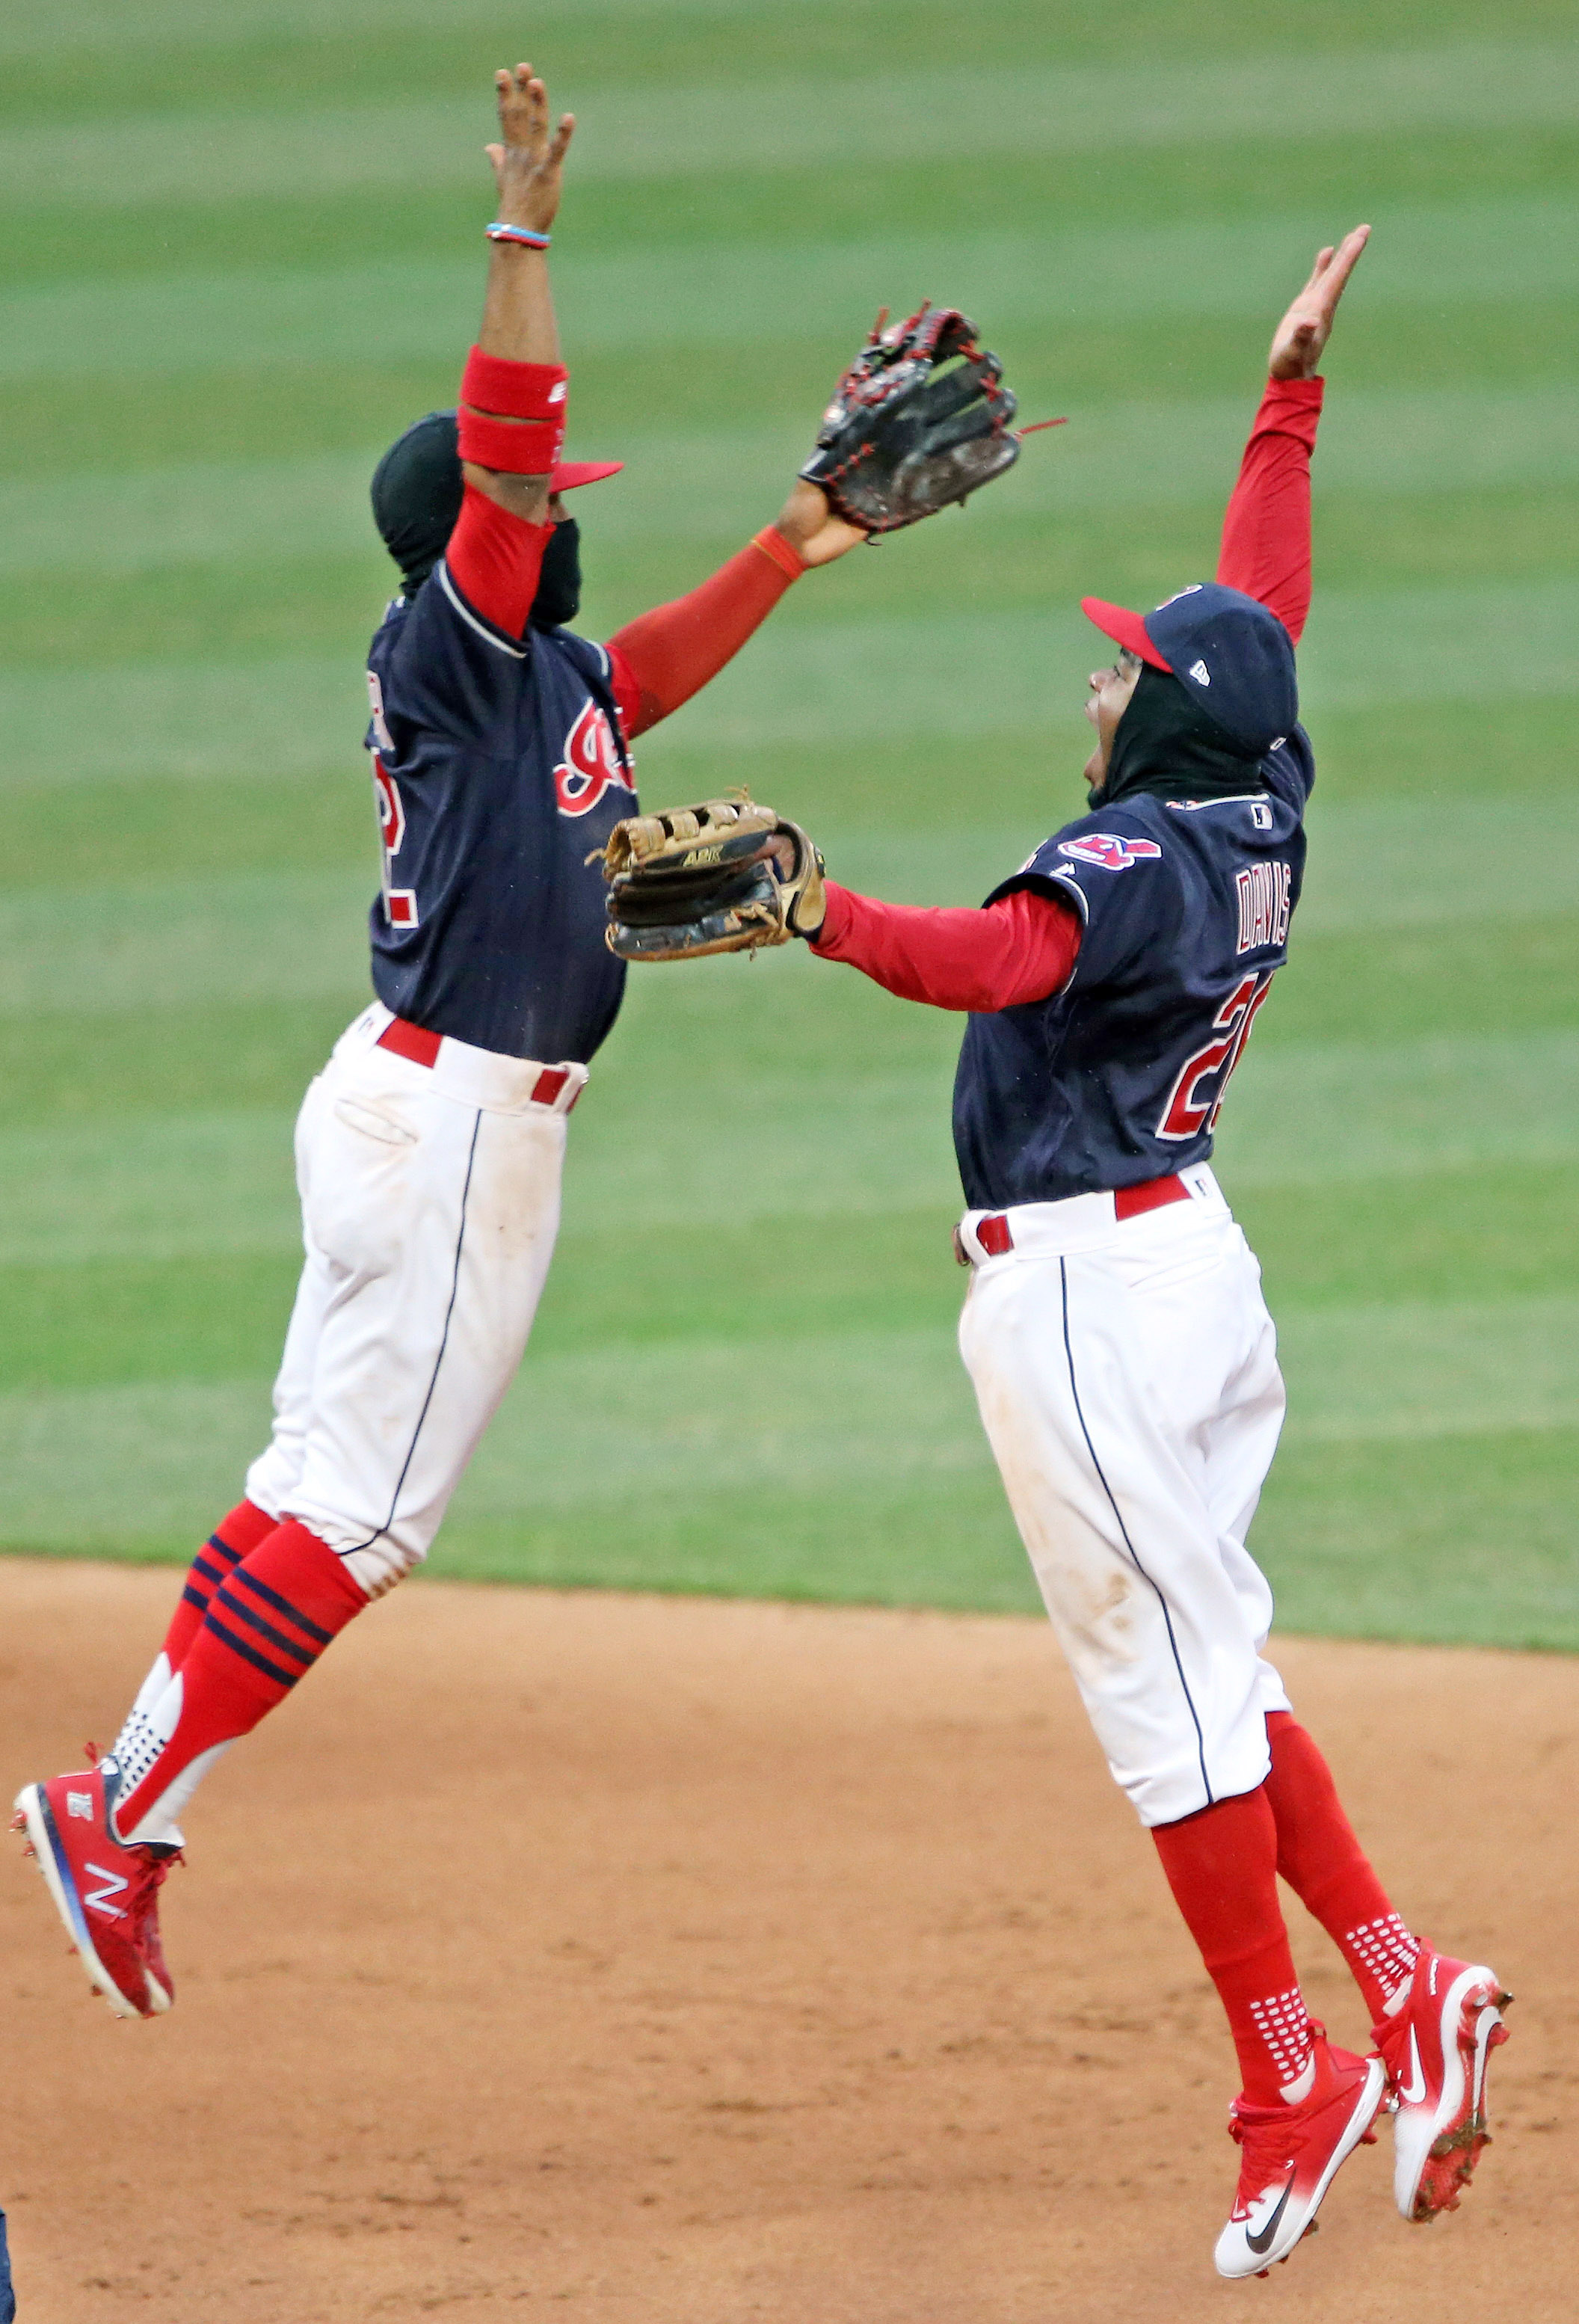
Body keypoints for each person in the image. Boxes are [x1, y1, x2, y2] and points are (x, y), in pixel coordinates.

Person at [13, 61, 869, 2026]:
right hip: (459, 1120)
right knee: (368, 1511)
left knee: (315, 1472)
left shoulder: (541, 677)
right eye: (542, 512)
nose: (559, 525)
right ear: (477, 537)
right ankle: (118, 1807)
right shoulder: (455, 639)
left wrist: (798, 537)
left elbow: (636, 668)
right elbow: (509, 453)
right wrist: (521, 241)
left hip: (421, 1103)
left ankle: (126, 1797)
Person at [778, 230, 1511, 2274]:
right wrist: (1287, 393)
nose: (1095, 681)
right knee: (1214, 1664)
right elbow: (1256, 608)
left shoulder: (1128, 858)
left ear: (1161, 727)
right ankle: (1406, 1976)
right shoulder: (1257, 789)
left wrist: (816, 905)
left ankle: (1293, 2066)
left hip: (1093, 1296)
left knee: (1160, 1707)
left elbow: (993, 953)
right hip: (1190, 1266)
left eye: (1117, 668)